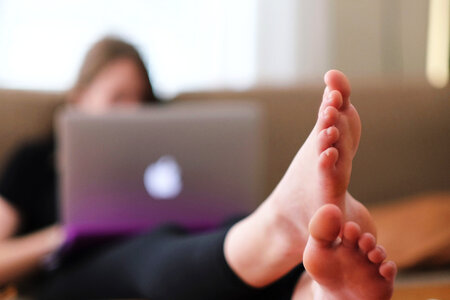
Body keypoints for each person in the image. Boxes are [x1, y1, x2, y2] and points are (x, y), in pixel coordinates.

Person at [0, 36, 397, 299]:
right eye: (118, 96)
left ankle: (317, 290)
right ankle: (278, 227)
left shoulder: (159, 151)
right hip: (74, 276)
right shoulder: (35, 161)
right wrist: (63, 236)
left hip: (175, 247)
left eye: (140, 99)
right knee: (148, 256)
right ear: (79, 98)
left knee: (224, 227)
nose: (133, 110)